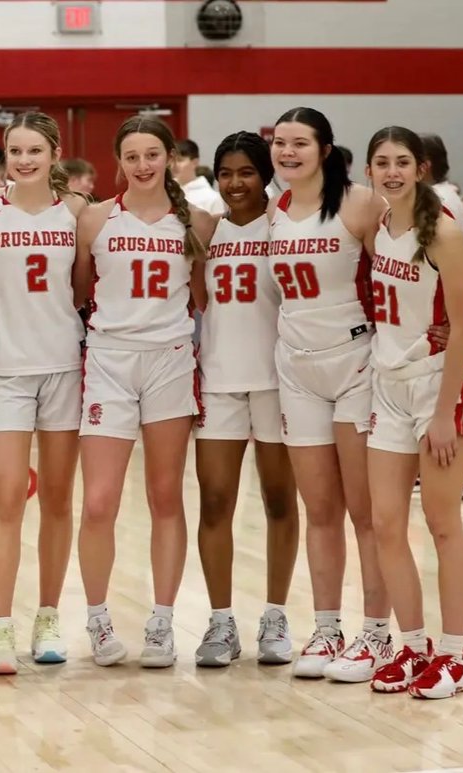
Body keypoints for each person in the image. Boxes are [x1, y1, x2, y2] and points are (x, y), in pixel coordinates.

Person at [0, 111, 90, 674]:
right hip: (5, 368)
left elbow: (82, 288)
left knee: (57, 500)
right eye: (16, 151)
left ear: (55, 152)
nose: (25, 160)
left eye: (36, 150)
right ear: (5, 155)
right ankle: (1, 626)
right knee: (7, 498)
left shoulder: (78, 211)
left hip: (63, 366)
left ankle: (50, 617)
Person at [74, 116, 213, 668]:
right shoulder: (94, 218)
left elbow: (201, 300)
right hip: (109, 360)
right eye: (131, 156)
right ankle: (98, 618)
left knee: (164, 496)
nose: (142, 165)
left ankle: (161, 621)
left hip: (170, 362)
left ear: (171, 158)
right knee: (99, 501)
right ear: (119, 162)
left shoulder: (198, 221)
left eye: (152, 154)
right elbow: (82, 290)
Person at [267, 107, 391, 682]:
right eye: (280, 144)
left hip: (356, 364)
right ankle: (326, 627)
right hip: (296, 369)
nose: (287, 152)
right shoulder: (275, 209)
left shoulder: (362, 203)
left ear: (324, 148)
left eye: (299, 143)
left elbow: (410, 265)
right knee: (319, 510)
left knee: (365, 512)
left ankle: (377, 633)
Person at [364, 127, 463, 699]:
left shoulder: (445, 232)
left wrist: (442, 414)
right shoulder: (380, 226)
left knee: (441, 523)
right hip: (387, 384)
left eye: (401, 162)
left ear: (421, 168)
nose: (392, 171)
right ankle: (412, 647)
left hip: (440, 388)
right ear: (370, 171)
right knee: (386, 523)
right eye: (381, 162)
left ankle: (456, 656)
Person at [193, 132, 300, 667]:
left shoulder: (285, 225)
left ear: (265, 175)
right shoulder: (205, 230)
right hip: (218, 379)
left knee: (280, 501)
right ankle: (220, 622)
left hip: (278, 381)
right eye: (227, 173)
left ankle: (276, 615)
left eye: (247, 172)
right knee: (214, 503)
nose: (236, 183)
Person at [174, 139, 226, 216]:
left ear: (195, 162)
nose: (174, 165)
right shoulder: (166, 192)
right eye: (172, 160)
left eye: (180, 160)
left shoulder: (212, 198)